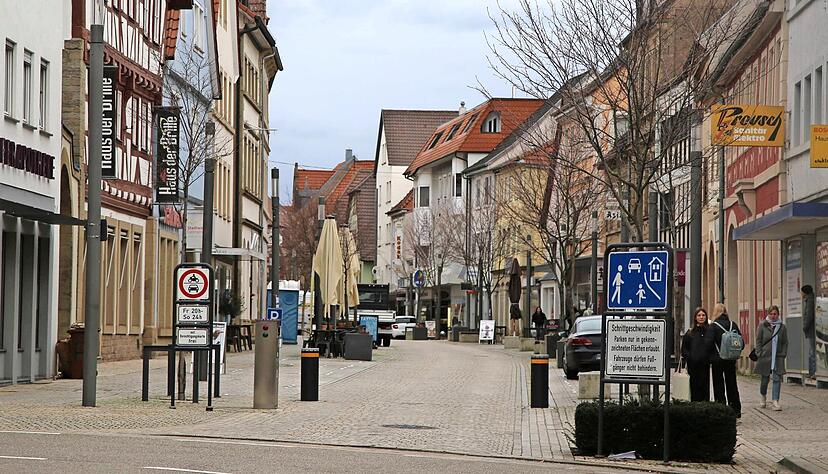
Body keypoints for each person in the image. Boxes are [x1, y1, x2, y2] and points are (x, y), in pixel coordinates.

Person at [710, 303, 742, 417]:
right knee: (732, 384)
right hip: (731, 359)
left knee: (718, 384)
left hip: (718, 359)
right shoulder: (733, 324)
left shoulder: (713, 326)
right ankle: (736, 409)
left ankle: (721, 409)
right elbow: (741, 342)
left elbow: (709, 343)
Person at [755, 305, 788, 411]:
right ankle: (763, 396)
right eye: (771, 314)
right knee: (765, 379)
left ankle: (775, 401)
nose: (773, 316)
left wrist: (783, 353)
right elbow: (758, 340)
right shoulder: (762, 325)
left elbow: (785, 342)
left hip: (777, 356)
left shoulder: (782, 327)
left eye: (775, 314)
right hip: (765, 356)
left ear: (778, 314)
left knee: (777, 378)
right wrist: (759, 353)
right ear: (768, 314)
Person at [681, 307, 715, 402]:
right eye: (699, 315)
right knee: (694, 388)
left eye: (703, 315)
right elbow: (684, 349)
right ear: (695, 318)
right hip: (693, 365)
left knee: (705, 388)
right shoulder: (690, 333)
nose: (701, 317)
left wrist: (710, 358)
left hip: (705, 365)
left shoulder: (710, 331)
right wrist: (690, 357)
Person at [802, 285, 817, 380]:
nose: (801, 294)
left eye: (802, 292)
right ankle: (811, 372)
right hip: (811, 329)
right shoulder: (810, 300)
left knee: (812, 351)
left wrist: (805, 327)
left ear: (805, 292)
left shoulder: (810, 301)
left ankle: (813, 372)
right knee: (811, 351)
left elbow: (809, 315)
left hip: (811, 330)